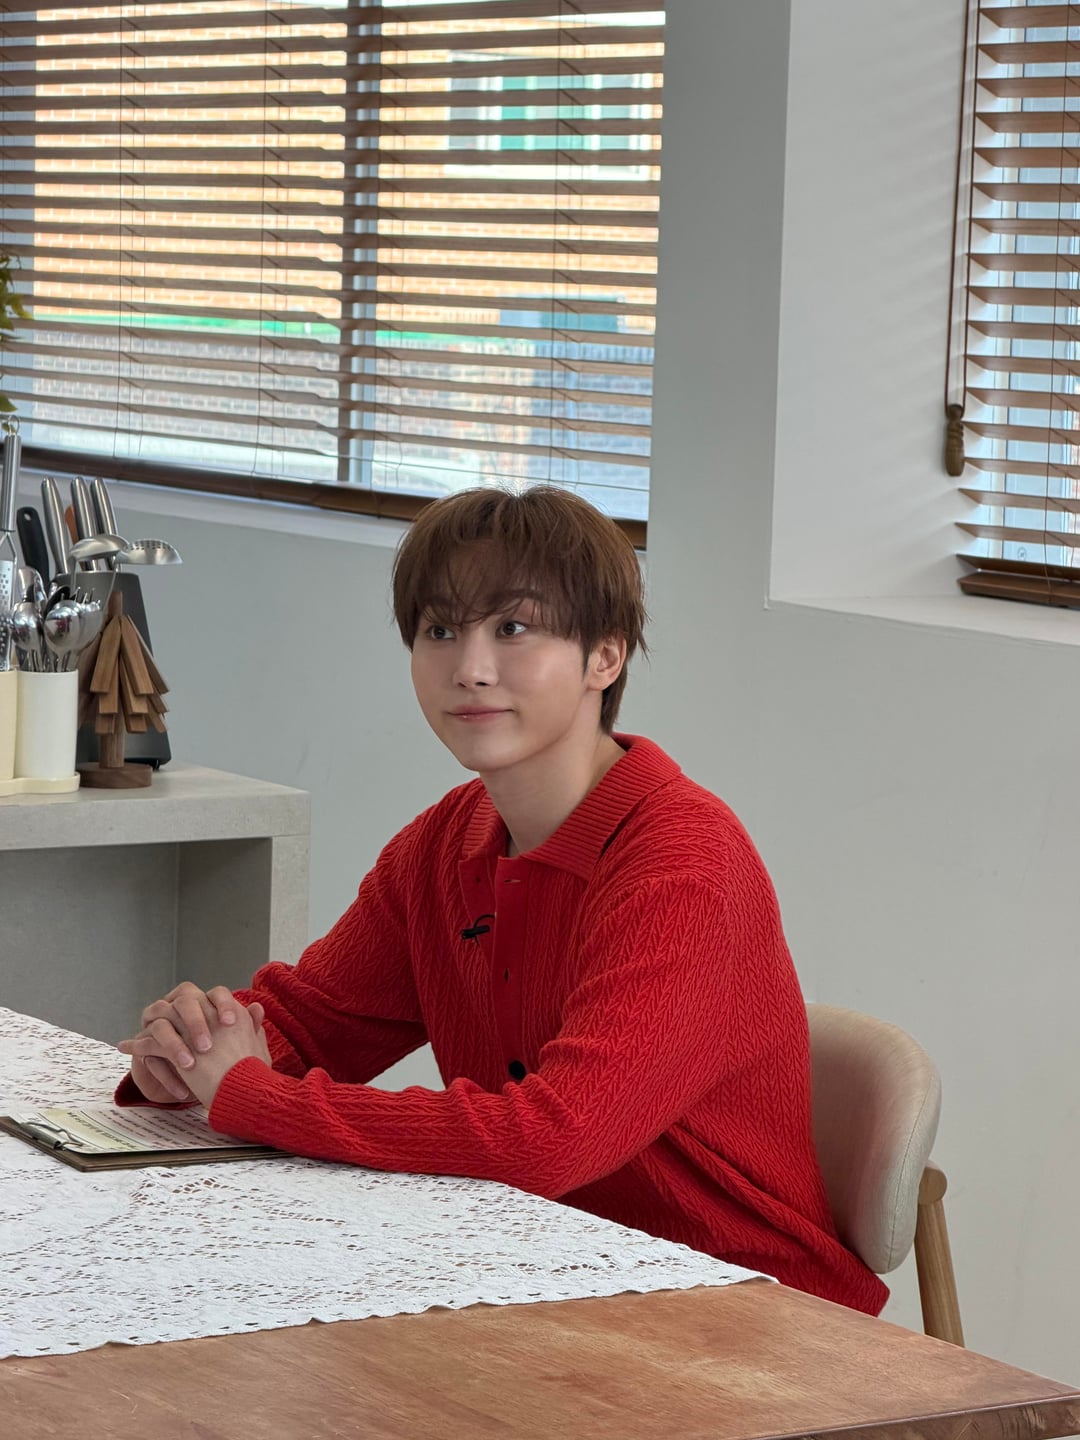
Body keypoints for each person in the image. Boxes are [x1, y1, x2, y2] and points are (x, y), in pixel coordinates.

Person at [117, 485, 887, 1315]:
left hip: (742, 1310)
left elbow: (554, 1139)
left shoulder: (683, 865)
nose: (470, 668)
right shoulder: (445, 843)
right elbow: (309, 1026)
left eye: (513, 628)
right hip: (536, 1272)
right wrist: (190, 1055)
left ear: (605, 657)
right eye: (440, 630)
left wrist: (251, 1095)